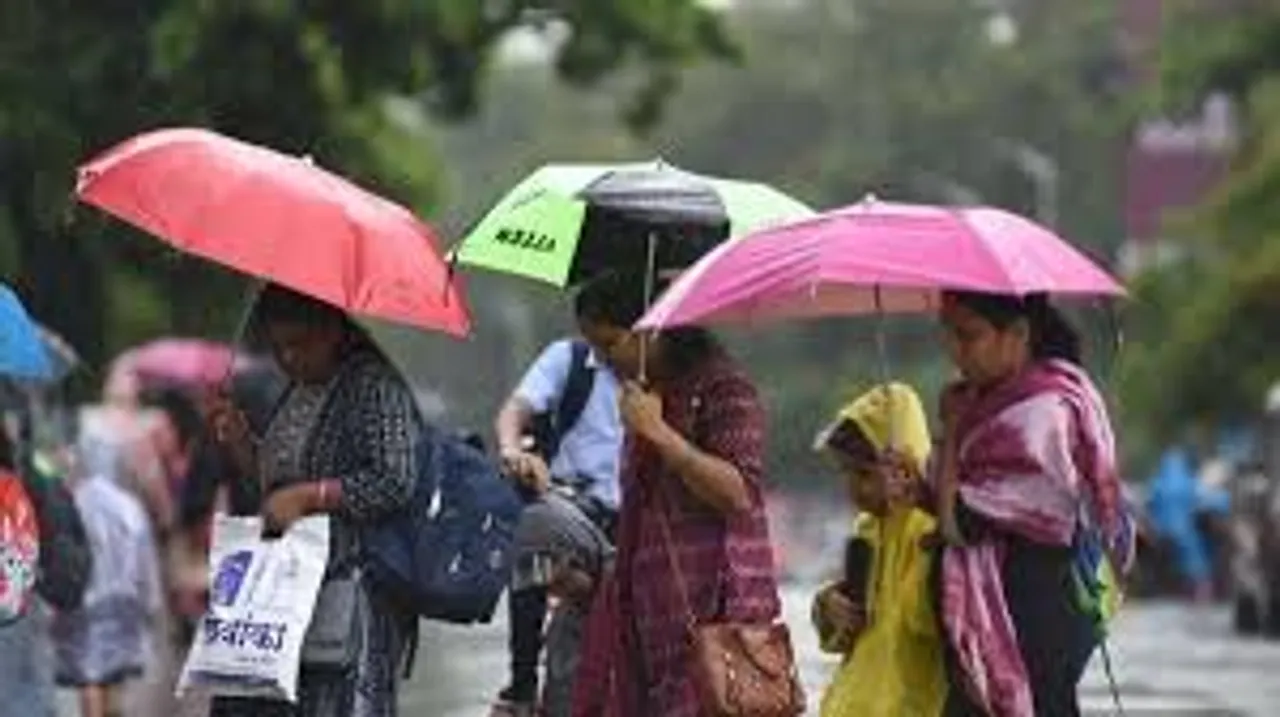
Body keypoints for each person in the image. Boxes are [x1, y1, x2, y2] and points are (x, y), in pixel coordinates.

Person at [570, 270, 783, 717]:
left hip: (719, 620)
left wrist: (660, 435)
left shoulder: (725, 389)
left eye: (610, 344)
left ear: (653, 328)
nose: (603, 361)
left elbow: (737, 493)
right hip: (653, 623)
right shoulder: (647, 396)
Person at [205, 282, 421, 717]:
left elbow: (396, 479)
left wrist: (312, 496)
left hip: (347, 591)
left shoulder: (373, 386)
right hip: (282, 594)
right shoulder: (301, 387)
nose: (288, 358)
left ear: (333, 331)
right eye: (279, 346)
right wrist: (244, 446)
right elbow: (277, 490)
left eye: (299, 345)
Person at [932, 290, 1134, 717]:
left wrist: (950, 432)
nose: (955, 351)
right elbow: (954, 503)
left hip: (1027, 618)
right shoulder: (989, 403)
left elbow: (956, 524)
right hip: (1005, 617)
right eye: (947, 335)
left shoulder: (1038, 417)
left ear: (1018, 334)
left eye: (968, 336)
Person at [490, 298, 624, 717]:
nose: (600, 351)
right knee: (533, 538)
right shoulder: (570, 359)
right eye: (591, 338)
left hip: (632, 520)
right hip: (571, 506)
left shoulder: (662, 377)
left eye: (607, 341)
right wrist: (513, 451)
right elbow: (515, 411)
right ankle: (523, 681)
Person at [810, 383, 948, 717]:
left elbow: (926, 620)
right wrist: (828, 607)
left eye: (865, 474)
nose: (854, 487)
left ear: (904, 465)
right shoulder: (866, 531)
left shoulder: (931, 529)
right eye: (846, 472)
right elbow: (844, 637)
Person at [50, 434, 161, 717]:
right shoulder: (128, 505)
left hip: (82, 603)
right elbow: (144, 554)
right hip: (124, 601)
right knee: (114, 673)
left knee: (89, 676)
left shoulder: (72, 500)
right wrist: (151, 599)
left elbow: (57, 550)